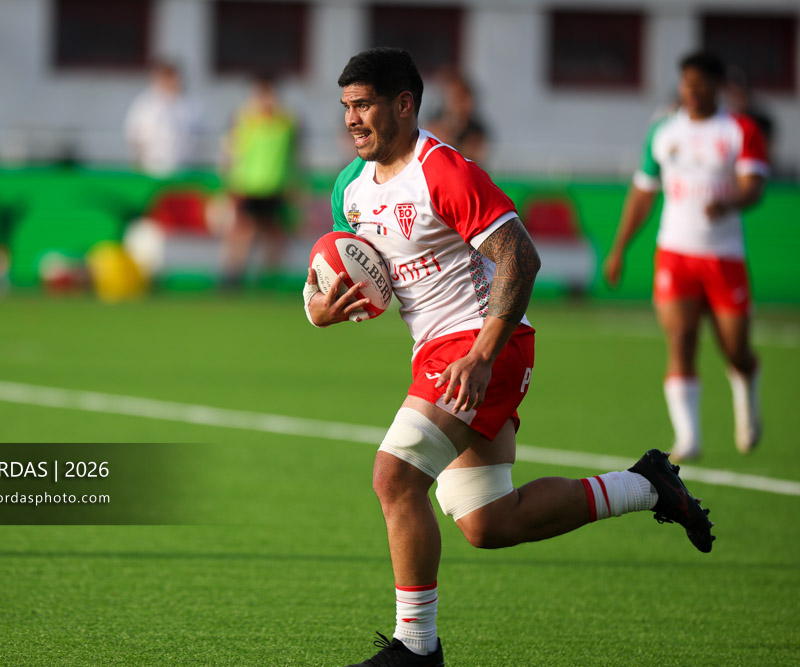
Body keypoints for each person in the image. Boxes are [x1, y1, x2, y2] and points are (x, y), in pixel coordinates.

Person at [303, 48, 714, 667]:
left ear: (405, 105)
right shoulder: (350, 189)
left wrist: (484, 353)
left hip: (481, 344)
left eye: (364, 106)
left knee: (394, 477)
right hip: (436, 352)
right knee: (490, 523)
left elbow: (519, 255)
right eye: (346, 108)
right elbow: (331, 273)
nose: (352, 120)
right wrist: (319, 309)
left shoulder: (443, 170)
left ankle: (418, 649)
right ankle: (647, 486)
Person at [604, 52, 769, 463]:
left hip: (724, 255)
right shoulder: (663, 130)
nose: (691, 92)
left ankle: (747, 383)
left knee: (735, 349)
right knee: (680, 340)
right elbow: (643, 191)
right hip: (675, 253)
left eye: (699, 84)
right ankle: (688, 438)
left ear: (717, 85)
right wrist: (620, 248)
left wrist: (731, 202)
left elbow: (754, 186)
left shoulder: (739, 129)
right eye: (685, 84)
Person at [220, 74, 298, 287]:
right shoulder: (244, 118)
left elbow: (295, 156)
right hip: (248, 185)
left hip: (276, 186)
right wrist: (231, 183)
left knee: (273, 235)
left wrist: (295, 186)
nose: (264, 100)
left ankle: (269, 280)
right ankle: (232, 277)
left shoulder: (287, 121)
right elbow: (231, 152)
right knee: (242, 232)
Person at [123, 61, 198, 177]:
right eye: (169, 77)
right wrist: (137, 169)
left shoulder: (189, 106)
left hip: (183, 172)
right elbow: (133, 139)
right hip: (151, 172)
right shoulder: (144, 105)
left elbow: (200, 139)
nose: (175, 82)